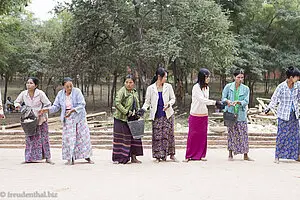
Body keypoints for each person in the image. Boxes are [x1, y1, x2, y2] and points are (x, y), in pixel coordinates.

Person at [39, 77, 93, 165]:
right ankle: (70, 157)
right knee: (69, 138)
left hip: (79, 117)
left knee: (82, 137)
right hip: (67, 118)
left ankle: (87, 156)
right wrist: (46, 109)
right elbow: (56, 106)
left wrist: (72, 110)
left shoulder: (77, 92)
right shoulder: (60, 94)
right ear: (63, 86)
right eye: (67, 86)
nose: (69, 88)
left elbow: (82, 104)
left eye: (71, 86)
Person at [138, 67, 177, 163]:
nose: (166, 79)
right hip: (157, 115)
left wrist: (169, 104)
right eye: (165, 77)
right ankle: (158, 156)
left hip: (167, 114)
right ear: (159, 77)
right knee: (157, 136)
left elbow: (173, 98)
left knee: (168, 135)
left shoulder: (168, 87)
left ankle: (171, 154)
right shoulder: (151, 88)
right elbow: (147, 102)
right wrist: (143, 109)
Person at [184, 68, 223, 162]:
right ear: (202, 77)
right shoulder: (196, 87)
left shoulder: (207, 88)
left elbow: (206, 101)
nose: (208, 78)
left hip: (203, 114)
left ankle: (201, 154)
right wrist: (215, 102)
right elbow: (201, 99)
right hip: (195, 114)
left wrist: (215, 104)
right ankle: (189, 155)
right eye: (207, 77)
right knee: (193, 135)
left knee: (202, 135)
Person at [265, 66, 300, 164]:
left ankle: (296, 155)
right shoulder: (281, 86)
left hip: (294, 114)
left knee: (295, 135)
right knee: (282, 135)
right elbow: (274, 99)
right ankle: (278, 156)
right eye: (296, 77)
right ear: (291, 77)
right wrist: (268, 108)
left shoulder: (298, 85)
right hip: (283, 114)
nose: (298, 79)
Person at [14, 77, 53, 164]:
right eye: (27, 83)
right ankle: (28, 158)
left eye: (31, 83)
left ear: (36, 85)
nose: (28, 84)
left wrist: (43, 110)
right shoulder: (24, 94)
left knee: (44, 138)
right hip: (29, 119)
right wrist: (18, 106)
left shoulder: (40, 93)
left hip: (41, 119)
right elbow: (16, 102)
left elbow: (48, 104)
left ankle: (48, 158)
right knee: (29, 138)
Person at [222, 69, 253, 161]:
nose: (240, 79)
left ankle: (245, 154)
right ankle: (230, 153)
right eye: (238, 77)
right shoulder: (228, 87)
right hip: (230, 112)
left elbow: (246, 101)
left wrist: (239, 102)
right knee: (231, 133)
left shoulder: (246, 88)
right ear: (234, 77)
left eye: (242, 78)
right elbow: (223, 98)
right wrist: (227, 101)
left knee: (243, 133)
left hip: (241, 113)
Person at [112, 74, 143, 164]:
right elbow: (117, 103)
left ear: (134, 83)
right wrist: (126, 112)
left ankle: (134, 157)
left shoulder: (134, 91)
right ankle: (121, 158)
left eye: (131, 82)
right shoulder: (122, 91)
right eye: (127, 82)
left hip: (133, 118)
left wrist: (138, 112)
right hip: (122, 119)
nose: (129, 84)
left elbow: (136, 102)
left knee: (135, 138)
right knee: (123, 138)